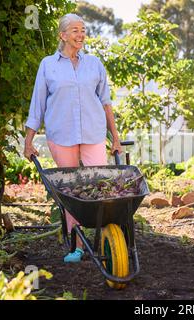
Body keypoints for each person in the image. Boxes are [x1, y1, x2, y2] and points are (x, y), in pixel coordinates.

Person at [23, 13, 122, 263]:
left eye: (83, 30)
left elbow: (106, 103)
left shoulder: (94, 64)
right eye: (75, 30)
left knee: (100, 186)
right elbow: (38, 106)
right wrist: (28, 140)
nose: (81, 35)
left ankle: (107, 240)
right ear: (63, 35)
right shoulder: (48, 65)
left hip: (93, 133)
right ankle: (77, 246)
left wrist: (116, 138)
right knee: (71, 192)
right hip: (61, 135)